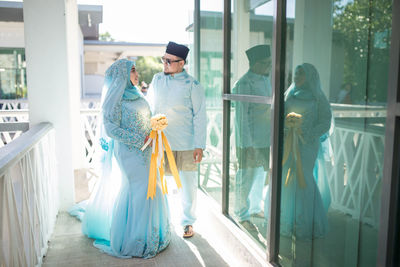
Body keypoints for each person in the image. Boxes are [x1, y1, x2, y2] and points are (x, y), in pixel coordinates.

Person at [71, 59, 171, 259]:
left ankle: (152, 236)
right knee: (140, 189)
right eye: (132, 70)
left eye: (135, 70)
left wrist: (154, 128)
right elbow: (111, 129)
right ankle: (134, 241)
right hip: (128, 152)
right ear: (121, 75)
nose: (136, 73)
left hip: (147, 150)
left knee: (153, 186)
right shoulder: (115, 99)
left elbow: (144, 119)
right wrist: (139, 139)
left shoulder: (137, 95)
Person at [147, 41, 207, 238]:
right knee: (158, 183)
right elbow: (149, 107)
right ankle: (160, 221)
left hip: (186, 143)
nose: (164, 64)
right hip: (160, 142)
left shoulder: (193, 85)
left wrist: (199, 145)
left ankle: (188, 222)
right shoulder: (157, 79)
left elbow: (199, 115)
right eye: (163, 60)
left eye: (169, 61)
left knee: (188, 185)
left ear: (181, 63)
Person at [279, 63, 331, 239]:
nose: (296, 77)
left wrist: (307, 134)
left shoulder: (318, 98)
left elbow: (325, 121)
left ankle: (304, 223)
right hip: (288, 142)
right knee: (286, 176)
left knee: (304, 178)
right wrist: (287, 130)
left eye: (300, 74)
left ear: (309, 77)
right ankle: (286, 223)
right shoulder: (289, 95)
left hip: (307, 144)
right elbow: (280, 117)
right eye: (295, 74)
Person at [232, 45, 272, 232]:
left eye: (270, 64)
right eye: (265, 64)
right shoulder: (244, 83)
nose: (268, 67)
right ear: (254, 63)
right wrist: (246, 144)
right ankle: (242, 214)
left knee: (260, 176)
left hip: (264, 139)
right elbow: (241, 118)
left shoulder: (266, 80)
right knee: (245, 177)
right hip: (248, 140)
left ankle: (256, 208)